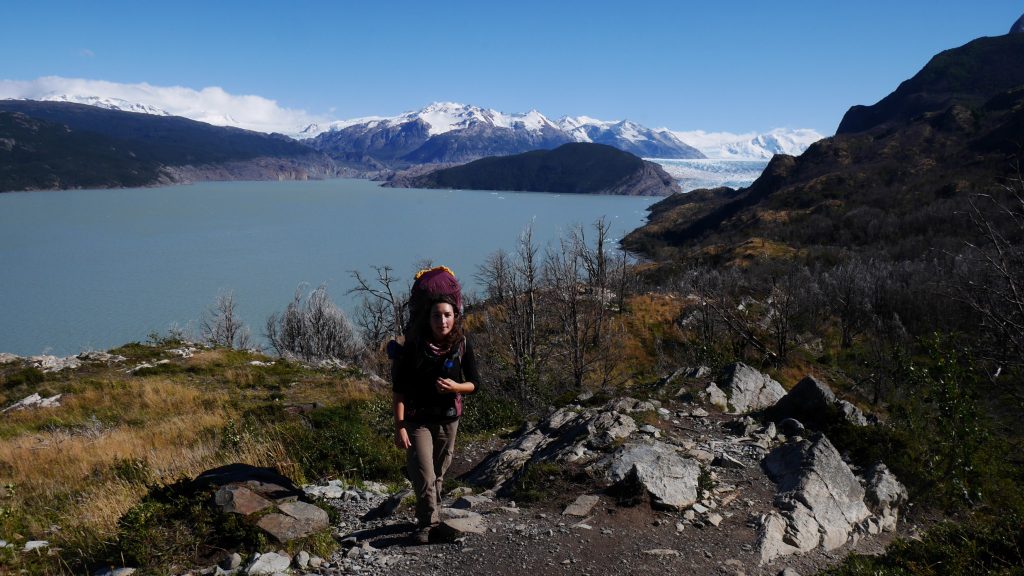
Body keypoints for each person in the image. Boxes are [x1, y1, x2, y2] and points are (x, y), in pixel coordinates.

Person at [392, 289, 479, 544]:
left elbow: (475, 383)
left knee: (438, 473)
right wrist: (400, 426)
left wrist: (456, 387)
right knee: (423, 473)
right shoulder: (414, 347)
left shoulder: (462, 344)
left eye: (447, 315)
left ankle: (432, 515)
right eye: (437, 316)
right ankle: (427, 524)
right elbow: (399, 391)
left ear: (455, 316)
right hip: (416, 419)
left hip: (449, 419)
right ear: (427, 318)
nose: (442, 321)